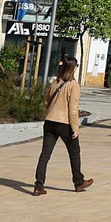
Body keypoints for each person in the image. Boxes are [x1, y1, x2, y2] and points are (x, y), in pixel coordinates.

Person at [33, 59, 92, 196]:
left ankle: (38, 185)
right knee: (74, 152)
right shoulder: (74, 85)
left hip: (50, 122)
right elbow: (73, 109)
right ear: (73, 68)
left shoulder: (55, 82)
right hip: (64, 123)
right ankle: (78, 182)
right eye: (76, 66)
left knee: (45, 155)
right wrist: (75, 128)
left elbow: (46, 101)